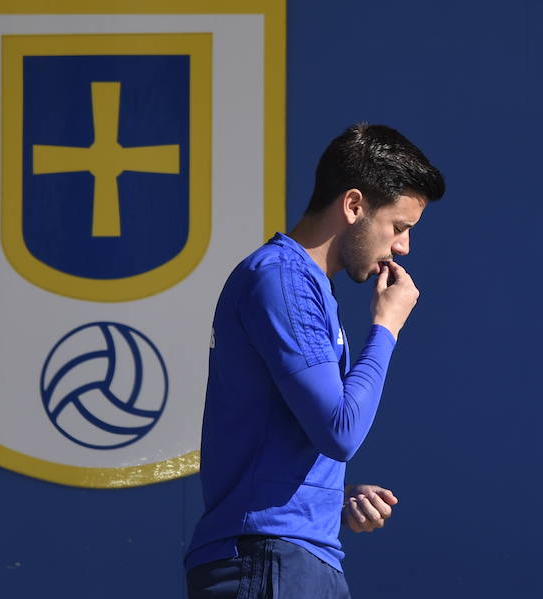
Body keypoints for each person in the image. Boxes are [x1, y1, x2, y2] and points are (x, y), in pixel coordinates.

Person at [185, 123, 445, 598]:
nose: (403, 247)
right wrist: (386, 327)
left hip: (294, 555)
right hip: (269, 560)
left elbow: (283, 436)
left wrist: (332, 498)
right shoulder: (282, 278)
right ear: (353, 205)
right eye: (399, 227)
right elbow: (340, 431)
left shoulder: (302, 285)